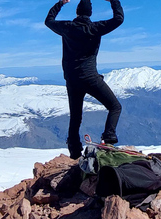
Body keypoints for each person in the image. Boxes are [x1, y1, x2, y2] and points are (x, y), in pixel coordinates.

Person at [45, 0, 124, 159]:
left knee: (75, 116)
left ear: (77, 12)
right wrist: (113, 1)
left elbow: (49, 21)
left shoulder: (67, 28)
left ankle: (74, 151)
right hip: (90, 78)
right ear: (90, 13)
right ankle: (108, 138)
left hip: (72, 79)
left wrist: (60, 3)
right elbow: (118, 19)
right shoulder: (94, 28)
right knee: (115, 106)